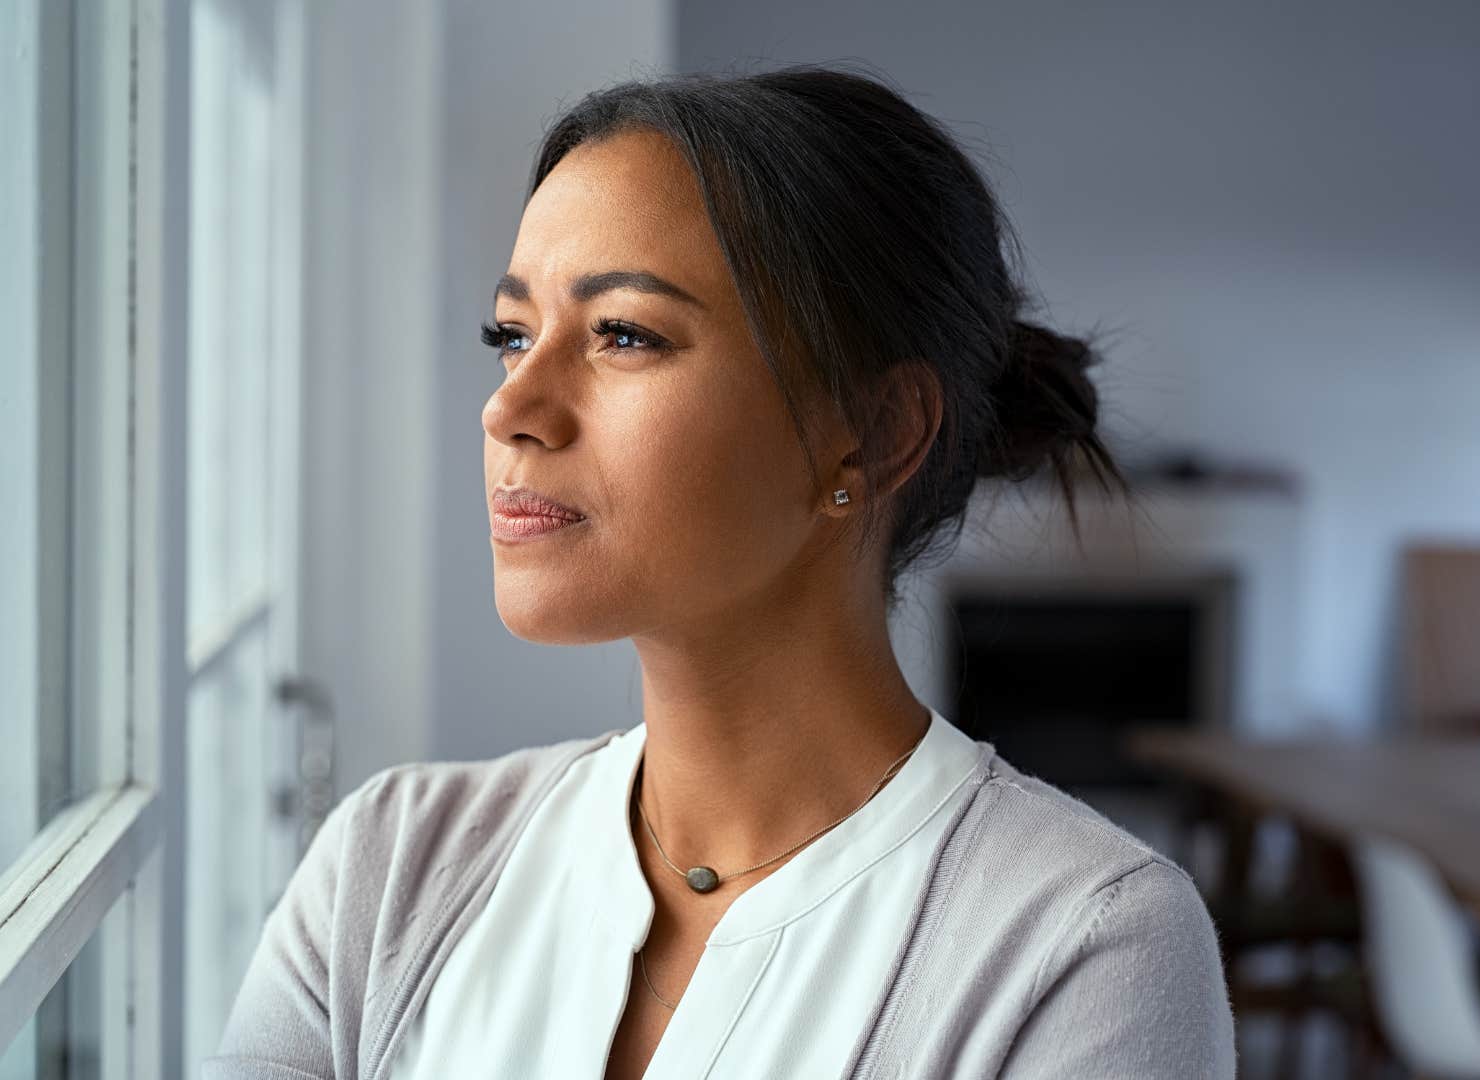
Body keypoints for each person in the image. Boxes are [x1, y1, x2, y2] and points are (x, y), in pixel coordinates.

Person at [205, 61, 1235, 1080]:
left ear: (871, 435)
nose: (509, 407)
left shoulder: (1084, 951)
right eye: (512, 335)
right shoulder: (389, 869)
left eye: (623, 335)